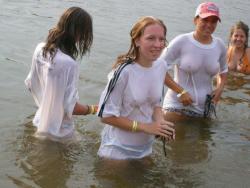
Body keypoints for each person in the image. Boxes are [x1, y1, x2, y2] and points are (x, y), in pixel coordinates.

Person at [97, 16, 175, 160]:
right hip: (117, 150)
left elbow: (156, 104)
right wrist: (146, 127)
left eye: (161, 39)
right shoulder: (123, 72)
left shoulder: (161, 66)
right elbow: (105, 116)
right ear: (137, 40)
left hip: (145, 149)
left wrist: (161, 124)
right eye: (151, 38)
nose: (158, 44)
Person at [25, 7, 97, 140]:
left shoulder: (40, 49)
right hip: (60, 133)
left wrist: (47, 104)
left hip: (39, 122)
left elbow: (30, 84)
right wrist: (94, 109)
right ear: (79, 33)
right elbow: (71, 107)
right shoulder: (69, 64)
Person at [160, 2, 228, 120]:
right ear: (195, 20)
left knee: (204, 139)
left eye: (213, 21)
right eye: (205, 20)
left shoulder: (220, 46)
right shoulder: (181, 41)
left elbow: (224, 71)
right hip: (177, 106)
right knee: (179, 138)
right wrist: (180, 91)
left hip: (205, 109)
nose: (209, 24)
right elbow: (158, 68)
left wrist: (220, 88)